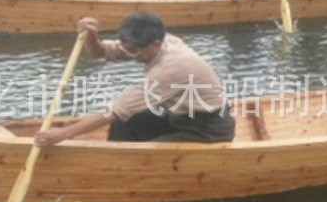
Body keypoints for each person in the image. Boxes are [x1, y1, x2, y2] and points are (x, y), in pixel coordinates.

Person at [35, 12, 235, 145]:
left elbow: (118, 109)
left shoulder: (173, 65)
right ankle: (113, 164)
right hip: (178, 116)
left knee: (149, 150)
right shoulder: (153, 43)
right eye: (126, 50)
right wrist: (90, 37)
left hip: (208, 127)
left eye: (134, 51)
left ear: (155, 44)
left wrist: (64, 133)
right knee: (127, 123)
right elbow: (101, 51)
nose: (130, 55)